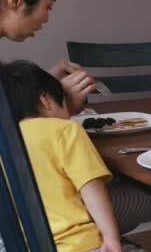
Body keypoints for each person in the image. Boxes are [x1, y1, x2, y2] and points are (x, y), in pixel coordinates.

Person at [0, 0, 151, 251]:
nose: (47, 17)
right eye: (48, 6)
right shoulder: (62, 132)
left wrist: (42, 90)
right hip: (21, 223)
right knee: (140, 200)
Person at [0, 60, 122, 251]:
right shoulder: (65, 130)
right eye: (65, 103)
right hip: (79, 244)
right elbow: (92, 189)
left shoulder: (5, 142)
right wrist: (111, 237)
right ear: (46, 100)